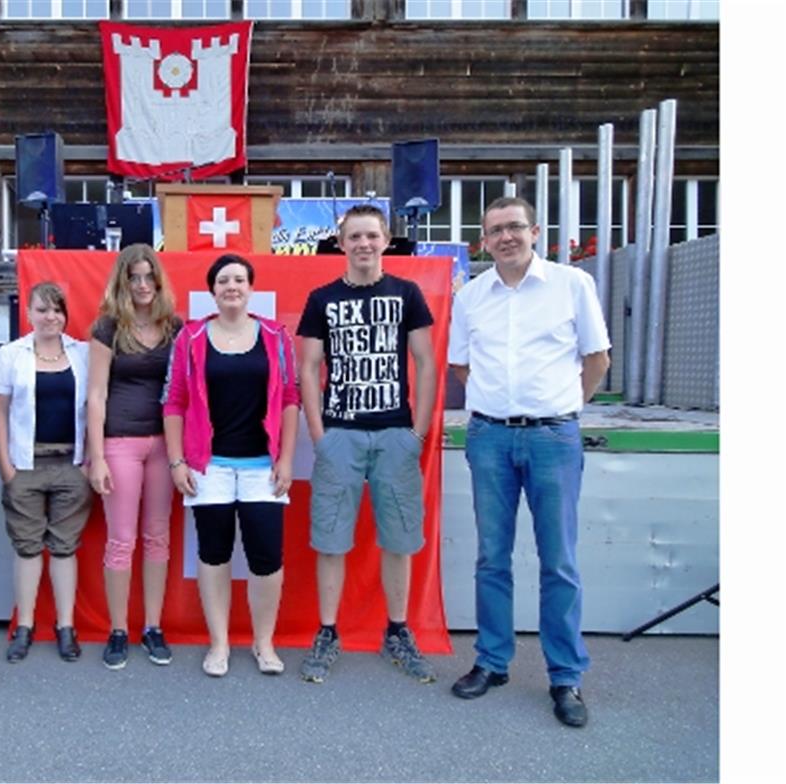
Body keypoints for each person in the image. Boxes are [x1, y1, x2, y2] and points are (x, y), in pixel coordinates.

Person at [447, 196, 610, 728]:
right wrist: (500, 406)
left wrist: (561, 407)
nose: (506, 237)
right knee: (492, 557)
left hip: (552, 438)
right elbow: (463, 365)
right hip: (491, 438)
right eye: (495, 230)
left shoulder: (572, 285)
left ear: (535, 231)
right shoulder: (471, 296)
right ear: (484, 241)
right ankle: (493, 662)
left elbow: (597, 358)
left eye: (515, 226)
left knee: (558, 561)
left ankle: (565, 676)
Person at [295, 203, 437, 685]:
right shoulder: (322, 299)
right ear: (341, 244)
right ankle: (328, 631)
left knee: (400, 538)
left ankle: (397, 630)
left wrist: (416, 432)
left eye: (371, 236)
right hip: (341, 434)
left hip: (396, 433)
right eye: (354, 237)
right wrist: (319, 435)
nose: (363, 245)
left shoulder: (408, 293)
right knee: (330, 538)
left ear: (386, 240)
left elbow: (426, 361)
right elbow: (309, 369)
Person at [163, 254, 299, 677]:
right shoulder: (191, 338)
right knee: (214, 554)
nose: (232, 286)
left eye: (239, 279)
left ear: (251, 287)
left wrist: (287, 458)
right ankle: (219, 643)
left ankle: (264, 642)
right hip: (209, 467)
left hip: (262, 465)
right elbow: (174, 402)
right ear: (213, 291)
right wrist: (177, 462)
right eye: (223, 280)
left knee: (266, 558)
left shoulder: (276, 336)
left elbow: (290, 398)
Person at [86, 244, 182, 670]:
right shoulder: (107, 328)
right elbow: (96, 394)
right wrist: (96, 456)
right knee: (121, 540)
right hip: (119, 443)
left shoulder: (174, 327)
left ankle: (153, 627)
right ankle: (119, 629)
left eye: (148, 277)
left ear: (158, 280)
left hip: (163, 444)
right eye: (134, 277)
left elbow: (183, 393)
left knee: (158, 537)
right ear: (122, 282)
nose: (142, 285)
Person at [0, 282, 91, 664]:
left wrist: (88, 464)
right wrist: (4, 462)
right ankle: (26, 626)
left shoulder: (82, 354)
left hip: (71, 464)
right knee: (28, 547)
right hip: (25, 465)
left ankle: (65, 627)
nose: (50, 317)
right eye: (42, 310)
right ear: (29, 313)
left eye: (57, 310)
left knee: (65, 548)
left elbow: (96, 405)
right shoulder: (9, 355)